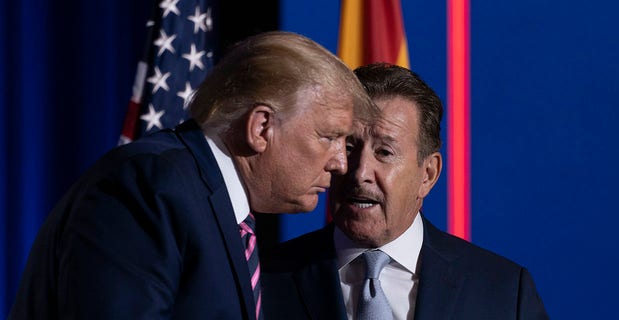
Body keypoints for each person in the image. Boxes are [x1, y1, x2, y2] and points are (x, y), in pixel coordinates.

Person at [8, 31, 376, 319]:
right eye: (328, 137)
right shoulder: (150, 187)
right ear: (261, 127)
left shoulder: (213, 203)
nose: (341, 163)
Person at [261, 63, 549, 319]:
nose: (359, 172)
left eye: (384, 152)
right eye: (348, 147)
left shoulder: (503, 292)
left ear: (428, 174)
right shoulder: (266, 279)